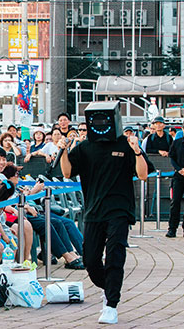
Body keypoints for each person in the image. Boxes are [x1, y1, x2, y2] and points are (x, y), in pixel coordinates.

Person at [59, 115, 149, 325]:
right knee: (90, 259)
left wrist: (136, 150)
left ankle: (111, 305)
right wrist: (63, 150)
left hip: (119, 209)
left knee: (116, 253)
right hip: (93, 211)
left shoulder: (125, 144)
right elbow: (67, 171)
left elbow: (143, 174)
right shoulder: (84, 147)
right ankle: (109, 288)